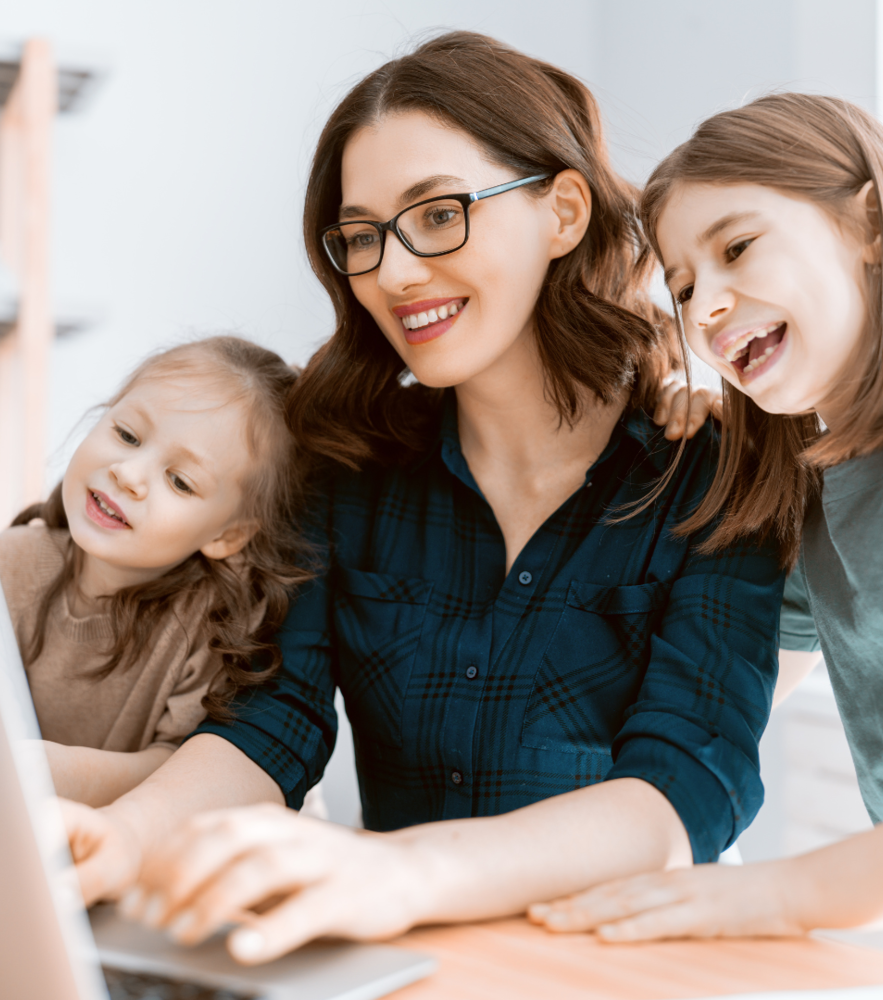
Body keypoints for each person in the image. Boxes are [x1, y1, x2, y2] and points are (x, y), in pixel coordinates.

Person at [60, 32, 784, 965]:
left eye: (438, 214)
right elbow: (274, 727)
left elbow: (689, 789)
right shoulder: (348, 468)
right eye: (361, 236)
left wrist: (402, 875)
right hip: (406, 965)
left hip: (624, 970)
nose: (393, 273)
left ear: (562, 212)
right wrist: (126, 835)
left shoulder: (711, 470)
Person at [529, 93, 883, 969]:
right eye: (685, 287)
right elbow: (718, 701)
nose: (704, 309)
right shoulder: (812, 503)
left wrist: (775, 896)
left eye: (737, 248)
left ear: (872, 224)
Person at [0, 336, 309, 807]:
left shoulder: (213, 627)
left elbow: (182, 769)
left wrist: (50, 773)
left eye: (180, 481)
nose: (129, 474)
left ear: (227, 536)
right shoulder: (7, 564)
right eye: (126, 435)